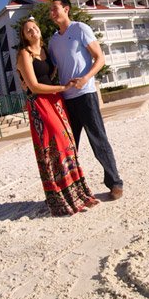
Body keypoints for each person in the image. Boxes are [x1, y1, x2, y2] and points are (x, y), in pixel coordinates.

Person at [16, 18, 99, 216]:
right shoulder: (24, 54)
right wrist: (62, 88)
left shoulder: (47, 52)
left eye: (35, 27)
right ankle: (61, 199)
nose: (33, 31)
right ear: (24, 36)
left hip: (57, 101)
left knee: (68, 145)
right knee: (53, 148)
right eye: (28, 30)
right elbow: (34, 86)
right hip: (40, 103)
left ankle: (79, 193)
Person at [47, 0, 124, 200]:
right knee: (69, 145)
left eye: (55, 9)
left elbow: (100, 58)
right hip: (66, 99)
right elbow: (53, 69)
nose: (52, 13)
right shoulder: (53, 41)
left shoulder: (80, 28)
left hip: (85, 94)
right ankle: (71, 186)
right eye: (50, 10)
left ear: (66, 9)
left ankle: (115, 183)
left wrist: (85, 78)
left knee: (98, 139)